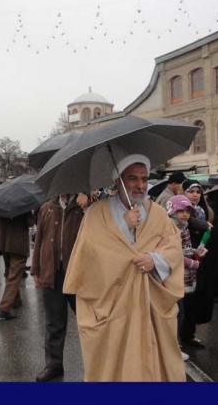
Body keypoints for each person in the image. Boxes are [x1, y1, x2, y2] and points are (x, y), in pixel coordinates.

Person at [63, 155, 185, 381]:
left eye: (144, 179)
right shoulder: (96, 213)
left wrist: (154, 259)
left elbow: (173, 247)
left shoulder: (157, 213)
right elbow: (88, 258)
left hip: (151, 306)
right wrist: (122, 227)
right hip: (113, 308)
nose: (140, 185)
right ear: (118, 182)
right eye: (133, 178)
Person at [31, 193, 84, 382]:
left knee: (88, 322)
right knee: (54, 323)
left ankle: (97, 363)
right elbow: (39, 240)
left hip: (78, 275)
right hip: (52, 274)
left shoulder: (83, 208)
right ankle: (53, 365)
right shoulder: (47, 208)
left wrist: (87, 206)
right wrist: (36, 268)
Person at [166, 195, 207, 361]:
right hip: (173, 277)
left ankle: (175, 344)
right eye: (180, 211)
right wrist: (193, 263)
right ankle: (172, 347)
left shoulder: (184, 227)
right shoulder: (170, 229)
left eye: (187, 211)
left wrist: (196, 252)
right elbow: (172, 255)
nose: (184, 214)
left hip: (183, 277)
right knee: (177, 313)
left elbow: (184, 250)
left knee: (180, 313)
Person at [0, 211, 35, 320]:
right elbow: (30, 223)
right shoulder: (23, 206)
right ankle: (4, 308)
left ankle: (16, 301)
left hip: (3, 245)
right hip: (19, 246)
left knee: (10, 273)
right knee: (14, 277)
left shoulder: (1, 205)